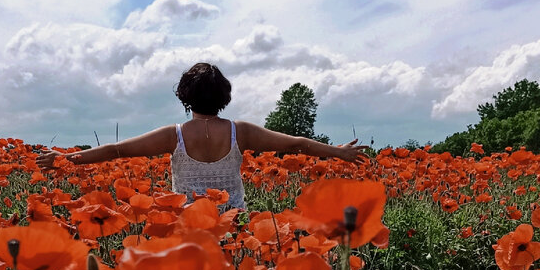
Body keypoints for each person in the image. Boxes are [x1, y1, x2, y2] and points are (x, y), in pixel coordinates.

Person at [35, 63, 366, 209]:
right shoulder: (241, 132)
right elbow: (295, 143)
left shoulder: (174, 135)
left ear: (185, 96)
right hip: (236, 224)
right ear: (224, 95)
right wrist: (339, 153)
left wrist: (65, 159)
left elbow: (117, 152)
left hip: (189, 224)